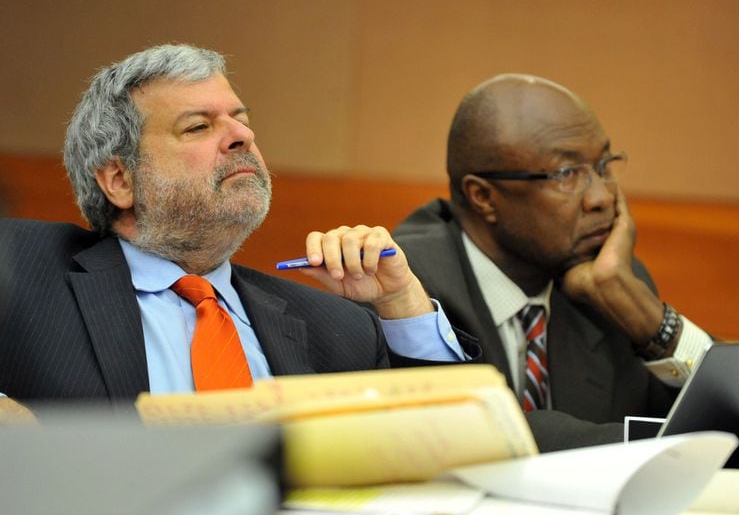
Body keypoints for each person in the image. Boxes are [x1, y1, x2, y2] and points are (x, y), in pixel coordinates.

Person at [0, 44, 479, 416]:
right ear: (121, 181)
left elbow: (444, 454)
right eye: (197, 127)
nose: (241, 136)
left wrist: (400, 306)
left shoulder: (337, 328)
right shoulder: (20, 270)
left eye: (241, 121)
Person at [393, 74, 739, 440]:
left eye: (604, 165)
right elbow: (478, 441)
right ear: (483, 196)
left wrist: (652, 322)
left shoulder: (608, 286)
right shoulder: (406, 289)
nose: (602, 196)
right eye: (566, 174)